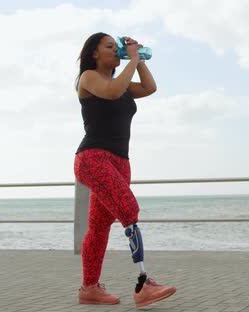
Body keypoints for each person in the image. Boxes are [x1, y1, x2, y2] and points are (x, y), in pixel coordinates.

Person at [73, 32, 176, 308]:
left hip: (120, 162)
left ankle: (90, 289)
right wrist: (130, 58)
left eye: (116, 46)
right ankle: (144, 284)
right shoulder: (89, 78)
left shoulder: (123, 82)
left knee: (98, 228)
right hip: (93, 158)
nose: (115, 50)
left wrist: (139, 57)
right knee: (128, 208)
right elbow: (113, 92)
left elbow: (150, 87)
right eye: (109, 47)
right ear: (94, 53)